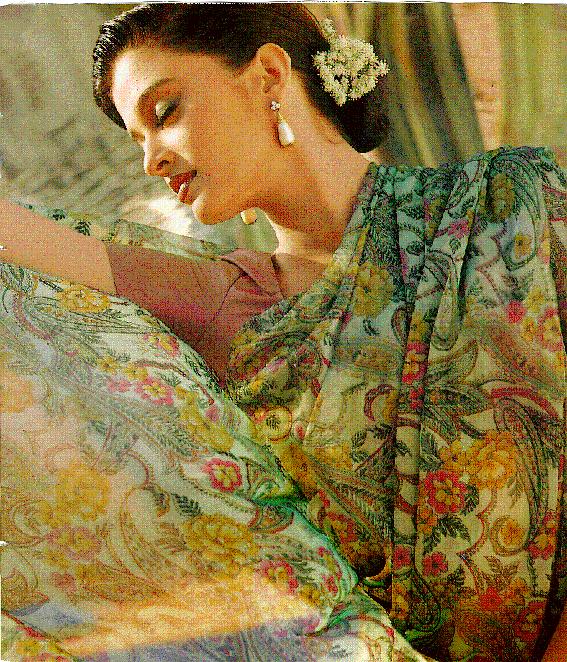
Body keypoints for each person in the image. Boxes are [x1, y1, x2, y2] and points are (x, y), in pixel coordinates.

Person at [1, 4, 565, 660]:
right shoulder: (225, 302)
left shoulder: (512, 200)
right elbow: (26, 246)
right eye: (137, 141)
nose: (151, 160)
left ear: (268, 74)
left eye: (165, 112)